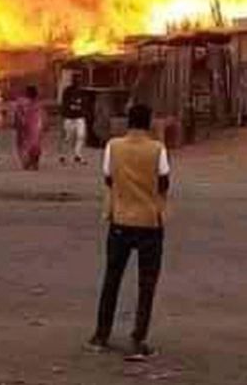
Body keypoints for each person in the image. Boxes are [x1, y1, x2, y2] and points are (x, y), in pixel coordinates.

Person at [89, 103, 170, 360]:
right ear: (148, 123)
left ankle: (101, 335)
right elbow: (164, 181)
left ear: (128, 123)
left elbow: (108, 177)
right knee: (146, 284)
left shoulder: (114, 146)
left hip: (120, 220)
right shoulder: (157, 149)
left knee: (111, 279)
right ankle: (138, 337)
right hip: (149, 222)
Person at [13, 85, 45, 171]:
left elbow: (18, 114)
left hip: (27, 126)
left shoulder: (21, 102)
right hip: (34, 126)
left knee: (24, 145)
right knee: (35, 145)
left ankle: (28, 163)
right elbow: (41, 116)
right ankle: (32, 163)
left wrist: (18, 123)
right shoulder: (36, 103)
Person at [60, 77, 88, 166]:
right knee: (68, 138)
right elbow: (64, 103)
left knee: (81, 135)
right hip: (69, 117)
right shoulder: (67, 91)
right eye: (76, 81)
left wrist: (82, 110)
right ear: (73, 81)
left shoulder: (82, 92)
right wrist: (67, 110)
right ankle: (63, 155)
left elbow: (84, 103)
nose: (78, 82)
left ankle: (78, 155)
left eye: (79, 81)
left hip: (79, 117)